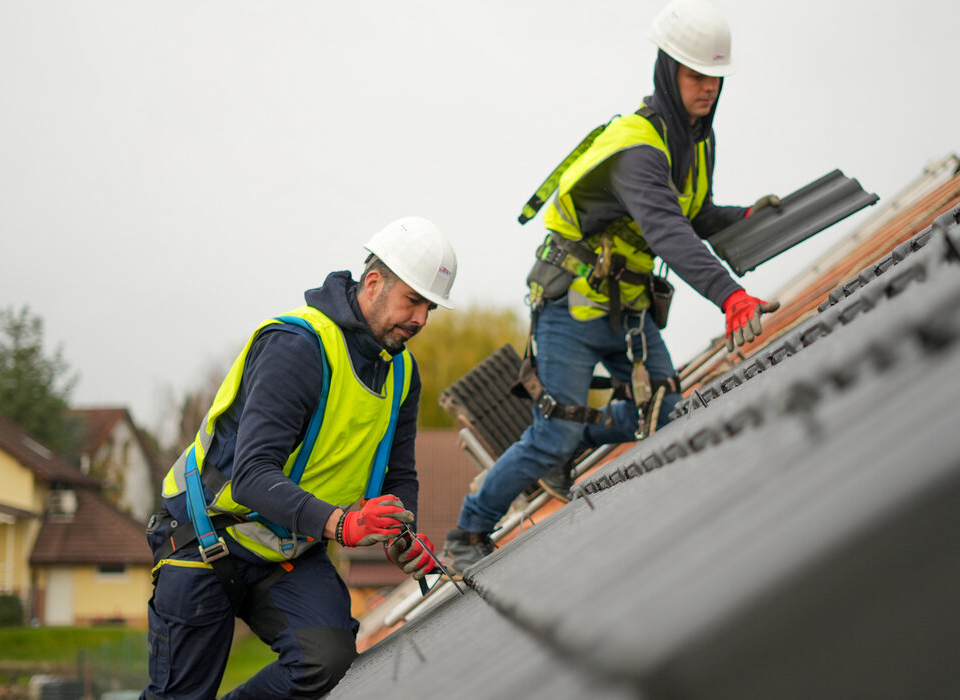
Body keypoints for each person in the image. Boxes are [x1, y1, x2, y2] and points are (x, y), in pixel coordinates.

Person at [442, 0, 780, 575]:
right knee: (552, 436)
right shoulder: (635, 146)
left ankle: (575, 434)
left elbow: (693, 214)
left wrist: (744, 217)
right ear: (668, 70)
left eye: (716, 77)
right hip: (570, 307)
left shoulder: (697, 140)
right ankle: (468, 530)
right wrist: (730, 295)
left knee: (666, 412)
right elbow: (666, 229)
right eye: (696, 74)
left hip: (628, 308)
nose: (708, 88)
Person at [141, 216, 457, 700]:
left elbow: (399, 473)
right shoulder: (297, 348)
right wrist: (340, 524)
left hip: (286, 551)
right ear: (374, 283)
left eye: (429, 307)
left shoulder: (402, 373)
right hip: (205, 539)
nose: (421, 319)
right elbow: (251, 476)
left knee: (326, 662)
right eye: (412, 300)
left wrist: (401, 532)